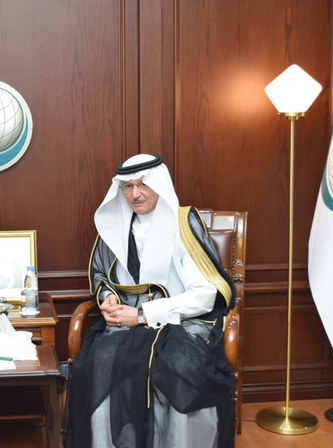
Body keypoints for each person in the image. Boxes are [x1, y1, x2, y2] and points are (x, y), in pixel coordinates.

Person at [67, 154, 236, 448]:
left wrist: (142, 315)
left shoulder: (182, 224)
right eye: (128, 186)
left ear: (159, 184)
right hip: (126, 325)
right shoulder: (114, 226)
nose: (135, 194)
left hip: (181, 323)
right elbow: (101, 274)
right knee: (99, 362)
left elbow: (206, 294)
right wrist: (107, 297)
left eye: (143, 185)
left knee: (178, 366)